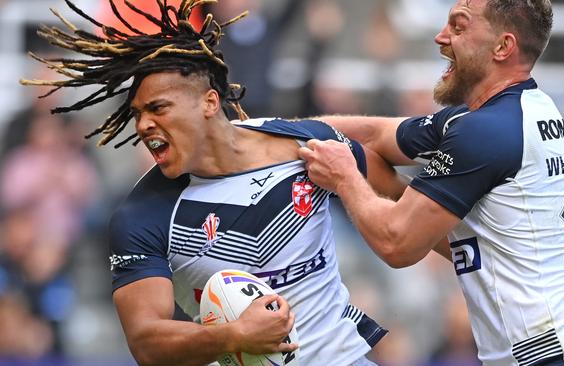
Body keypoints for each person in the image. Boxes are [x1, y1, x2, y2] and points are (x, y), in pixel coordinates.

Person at [21, 1, 403, 365]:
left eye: (158, 108)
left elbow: (409, 201)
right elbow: (145, 342)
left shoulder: (303, 146)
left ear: (208, 102)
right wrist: (234, 336)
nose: (142, 125)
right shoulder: (141, 214)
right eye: (137, 114)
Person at [298, 0, 564, 365]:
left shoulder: (486, 131)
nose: (441, 38)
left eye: (458, 27)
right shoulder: (522, 111)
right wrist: (275, 131)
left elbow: (396, 243)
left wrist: (345, 175)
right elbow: (376, 134)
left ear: (503, 47)